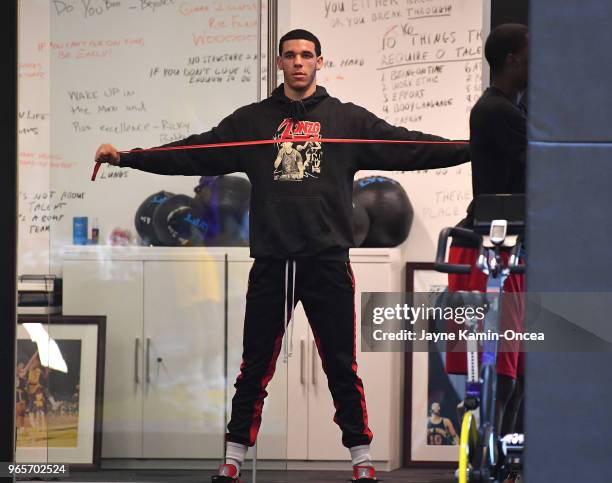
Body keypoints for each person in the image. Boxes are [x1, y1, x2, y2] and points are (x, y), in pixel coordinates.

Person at [95, 29, 470, 483]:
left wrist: (472, 150)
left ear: (319, 62)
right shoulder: (253, 124)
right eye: (290, 55)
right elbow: (193, 151)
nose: (298, 62)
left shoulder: (346, 122)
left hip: (326, 260)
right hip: (272, 260)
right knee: (254, 366)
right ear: (279, 62)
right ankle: (233, 459)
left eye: (306, 55)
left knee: (340, 365)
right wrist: (128, 158)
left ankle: (361, 460)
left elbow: (407, 146)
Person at [445, 22, 528, 456]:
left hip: (512, 250)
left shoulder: (514, 110)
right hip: (492, 251)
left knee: (516, 376)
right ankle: (484, 462)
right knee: (504, 377)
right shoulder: (496, 111)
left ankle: (501, 464)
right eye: (534, 53)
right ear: (514, 60)